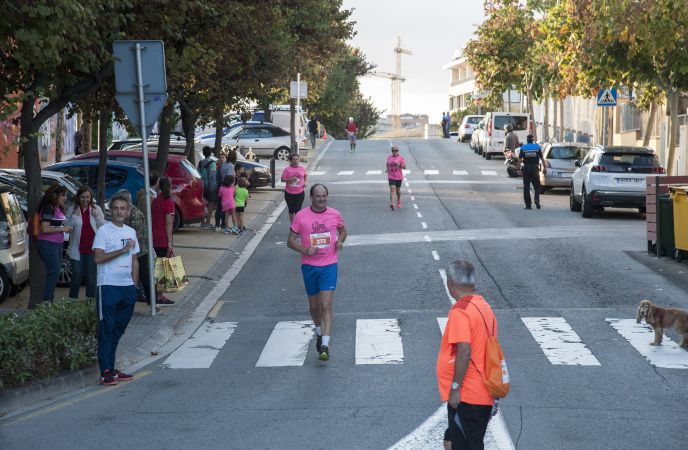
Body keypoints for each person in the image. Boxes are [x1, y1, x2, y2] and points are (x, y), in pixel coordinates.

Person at [437, 260, 499, 449]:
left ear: (450, 282)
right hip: (483, 392)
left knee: (466, 445)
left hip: (467, 395)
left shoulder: (461, 311)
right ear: (475, 279)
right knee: (451, 440)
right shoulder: (484, 307)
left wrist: (455, 387)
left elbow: (464, 350)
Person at [287, 184, 347, 361]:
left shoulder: (334, 214)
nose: (322, 199)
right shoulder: (301, 216)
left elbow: (342, 230)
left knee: (326, 306)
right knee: (314, 306)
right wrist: (305, 250)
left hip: (329, 265)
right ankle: (319, 331)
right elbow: (290, 241)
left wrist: (340, 241)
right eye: (318, 196)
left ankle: (325, 346)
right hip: (309, 266)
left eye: (324, 196)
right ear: (311, 198)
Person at [93, 190, 140, 386]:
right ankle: (105, 371)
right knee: (107, 329)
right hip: (108, 286)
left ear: (128, 211)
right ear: (110, 211)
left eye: (123, 208)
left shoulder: (131, 232)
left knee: (118, 330)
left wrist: (134, 287)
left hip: (126, 288)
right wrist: (121, 250)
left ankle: (111, 368)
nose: (119, 212)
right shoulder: (104, 231)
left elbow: (135, 261)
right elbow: (98, 258)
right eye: (116, 208)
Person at [65, 185, 106, 299]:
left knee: (91, 276)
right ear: (78, 197)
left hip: (92, 249)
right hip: (77, 248)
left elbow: (103, 228)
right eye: (83, 197)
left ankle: (90, 301)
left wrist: (97, 217)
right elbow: (67, 228)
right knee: (77, 275)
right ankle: (72, 301)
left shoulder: (96, 209)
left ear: (90, 197)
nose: (85, 200)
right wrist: (74, 217)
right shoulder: (72, 210)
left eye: (87, 197)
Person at [36, 183, 73, 303]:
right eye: (63, 195)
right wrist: (63, 229)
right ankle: (46, 301)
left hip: (57, 244)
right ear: (55, 195)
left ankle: (49, 300)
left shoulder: (57, 207)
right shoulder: (48, 207)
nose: (65, 198)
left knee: (55, 272)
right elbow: (45, 228)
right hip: (48, 244)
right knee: (55, 271)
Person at [123, 190, 153, 305]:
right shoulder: (130, 212)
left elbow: (135, 236)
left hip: (139, 251)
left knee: (145, 276)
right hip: (136, 250)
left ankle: (153, 301)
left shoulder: (134, 214)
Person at [150, 177, 176, 306]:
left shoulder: (155, 201)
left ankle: (157, 294)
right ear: (170, 187)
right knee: (161, 269)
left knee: (156, 268)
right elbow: (168, 223)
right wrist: (170, 242)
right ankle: (160, 297)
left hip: (153, 238)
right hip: (162, 239)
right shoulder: (169, 203)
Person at [518, 134, 547, 210]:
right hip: (535, 168)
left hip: (526, 168)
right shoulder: (537, 147)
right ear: (533, 140)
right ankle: (536, 199)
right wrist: (545, 167)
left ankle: (528, 205)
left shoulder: (523, 148)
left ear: (527, 140)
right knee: (537, 186)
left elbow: (520, 159)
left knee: (526, 187)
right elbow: (542, 158)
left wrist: (518, 168)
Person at [281, 153, 308, 223]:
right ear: (291, 161)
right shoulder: (287, 169)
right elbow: (282, 179)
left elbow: (305, 175)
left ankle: (297, 225)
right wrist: (290, 179)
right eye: (294, 160)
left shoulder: (302, 168)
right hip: (289, 193)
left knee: (298, 209)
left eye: (297, 159)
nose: (295, 161)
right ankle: (293, 225)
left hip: (300, 192)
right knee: (291, 209)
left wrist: (306, 182)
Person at [198, 146, 217, 230]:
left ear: (203, 153)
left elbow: (198, 173)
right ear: (210, 153)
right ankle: (208, 222)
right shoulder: (212, 163)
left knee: (203, 203)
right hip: (210, 186)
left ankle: (202, 222)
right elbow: (211, 174)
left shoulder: (200, 162)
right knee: (211, 203)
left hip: (202, 185)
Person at [386, 144, 406, 210]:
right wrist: (387, 169)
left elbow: (404, 167)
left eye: (396, 151)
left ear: (398, 151)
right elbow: (387, 163)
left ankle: (399, 199)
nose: (394, 152)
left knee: (398, 190)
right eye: (393, 151)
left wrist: (400, 164)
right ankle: (392, 203)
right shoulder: (389, 157)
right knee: (392, 188)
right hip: (391, 175)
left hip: (398, 176)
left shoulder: (401, 158)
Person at [215, 153, 228, 231]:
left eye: (223, 157)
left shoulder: (226, 167)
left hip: (225, 190)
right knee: (219, 208)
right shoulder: (218, 168)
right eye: (220, 157)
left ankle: (223, 224)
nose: (222, 159)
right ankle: (217, 225)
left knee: (224, 208)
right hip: (220, 190)